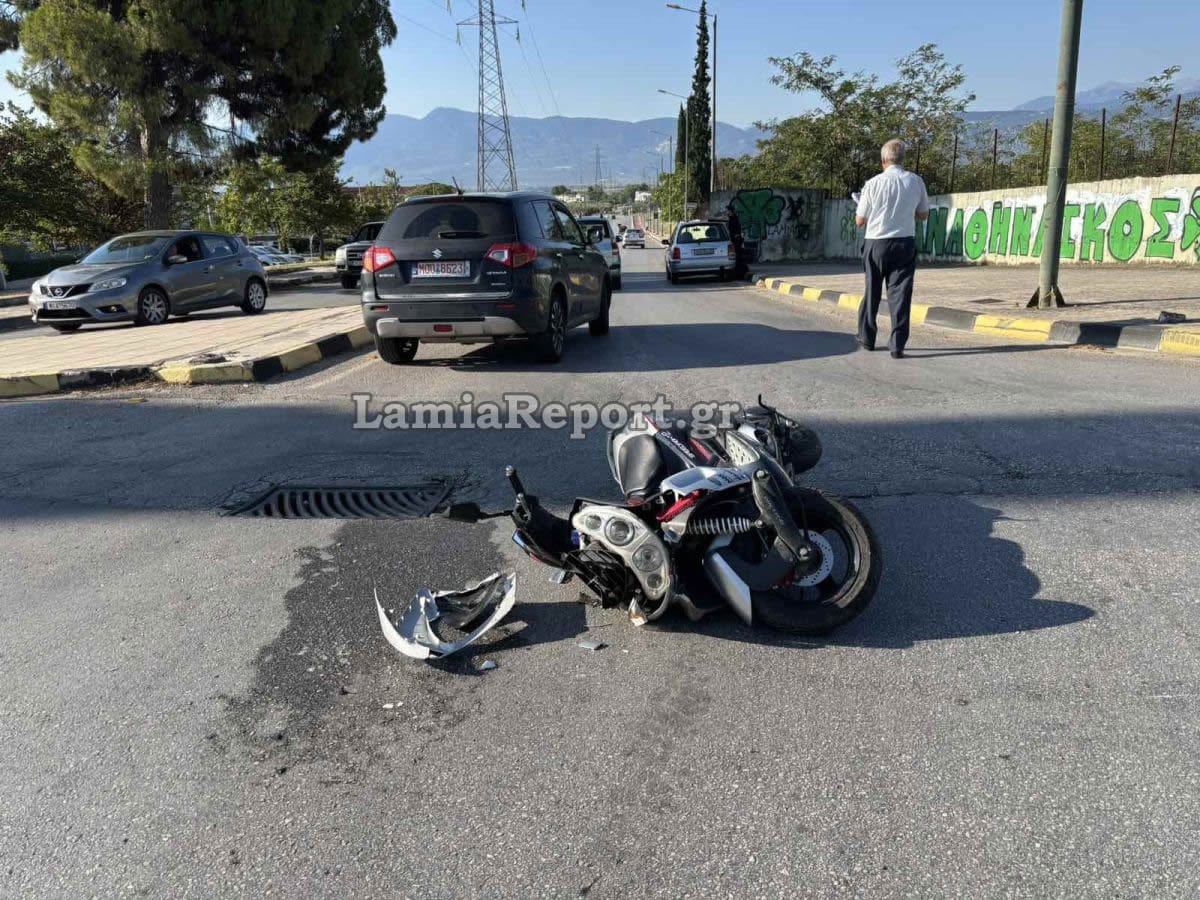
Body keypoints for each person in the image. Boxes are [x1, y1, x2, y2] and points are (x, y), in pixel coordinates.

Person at [854, 139, 930, 358]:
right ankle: (897, 345)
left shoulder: (872, 184)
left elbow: (860, 221)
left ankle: (867, 338)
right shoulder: (916, 181)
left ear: (883, 161)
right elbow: (923, 214)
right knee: (901, 295)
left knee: (872, 291)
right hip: (904, 242)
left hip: (876, 243)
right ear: (902, 159)